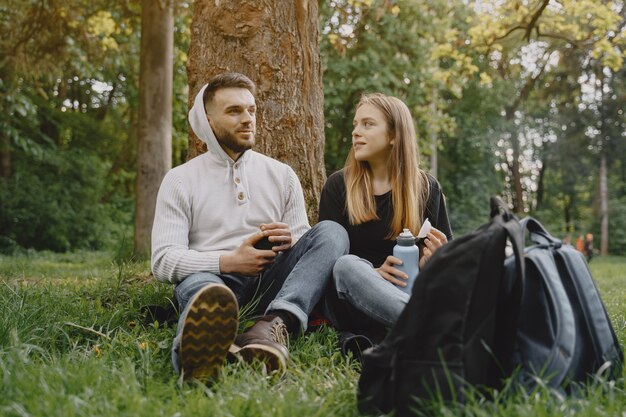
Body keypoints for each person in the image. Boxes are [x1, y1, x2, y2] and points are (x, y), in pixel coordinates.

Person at [151, 72, 348, 381]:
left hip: (272, 281)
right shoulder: (180, 179)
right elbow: (163, 261)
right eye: (234, 111)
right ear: (207, 122)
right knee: (202, 289)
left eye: (251, 110)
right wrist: (229, 261)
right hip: (213, 280)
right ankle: (199, 358)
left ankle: (273, 325)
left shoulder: (282, 174)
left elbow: (306, 245)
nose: (248, 119)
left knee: (332, 233)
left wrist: (290, 241)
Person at [318, 93, 452, 355]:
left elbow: (447, 270)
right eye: (356, 124)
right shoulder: (338, 186)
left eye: (368, 124)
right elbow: (327, 261)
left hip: (408, 294)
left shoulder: (426, 188)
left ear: (394, 136)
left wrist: (434, 261)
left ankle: (416, 327)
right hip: (351, 300)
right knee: (347, 266)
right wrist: (373, 274)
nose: (356, 132)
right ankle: (434, 331)